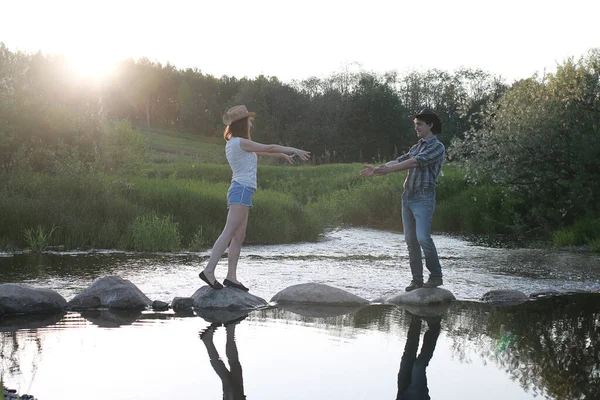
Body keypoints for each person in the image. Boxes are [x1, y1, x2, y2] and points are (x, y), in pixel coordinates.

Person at [199, 105, 311, 291]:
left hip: (243, 191)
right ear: (242, 123)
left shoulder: (237, 143)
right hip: (241, 190)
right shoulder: (239, 142)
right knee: (229, 232)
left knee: (238, 236)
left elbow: (263, 151)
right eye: (249, 120)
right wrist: (295, 150)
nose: (251, 123)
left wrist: (281, 154)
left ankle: (231, 277)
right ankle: (209, 271)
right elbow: (269, 146)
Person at [360, 109, 445, 291]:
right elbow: (400, 159)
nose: (416, 128)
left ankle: (436, 276)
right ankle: (417, 280)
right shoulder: (417, 146)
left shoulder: (437, 147)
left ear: (430, 125)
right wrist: (376, 170)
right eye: (415, 125)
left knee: (423, 238)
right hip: (408, 196)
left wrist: (389, 170)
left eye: (419, 125)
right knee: (410, 240)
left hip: (423, 197)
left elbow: (415, 162)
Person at [396, 313, 441, 400]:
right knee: (419, 366)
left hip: (402, 395)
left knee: (408, 356)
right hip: (418, 397)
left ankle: (416, 318)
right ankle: (434, 327)